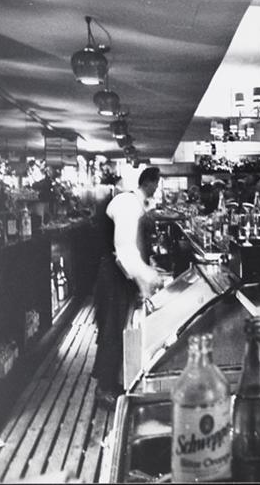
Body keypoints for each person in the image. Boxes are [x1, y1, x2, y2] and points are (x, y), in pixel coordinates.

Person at [92, 167, 164, 405]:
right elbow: (125, 250)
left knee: (116, 329)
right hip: (114, 275)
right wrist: (149, 276)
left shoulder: (134, 203)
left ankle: (111, 383)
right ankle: (104, 390)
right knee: (112, 331)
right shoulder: (127, 204)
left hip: (119, 274)